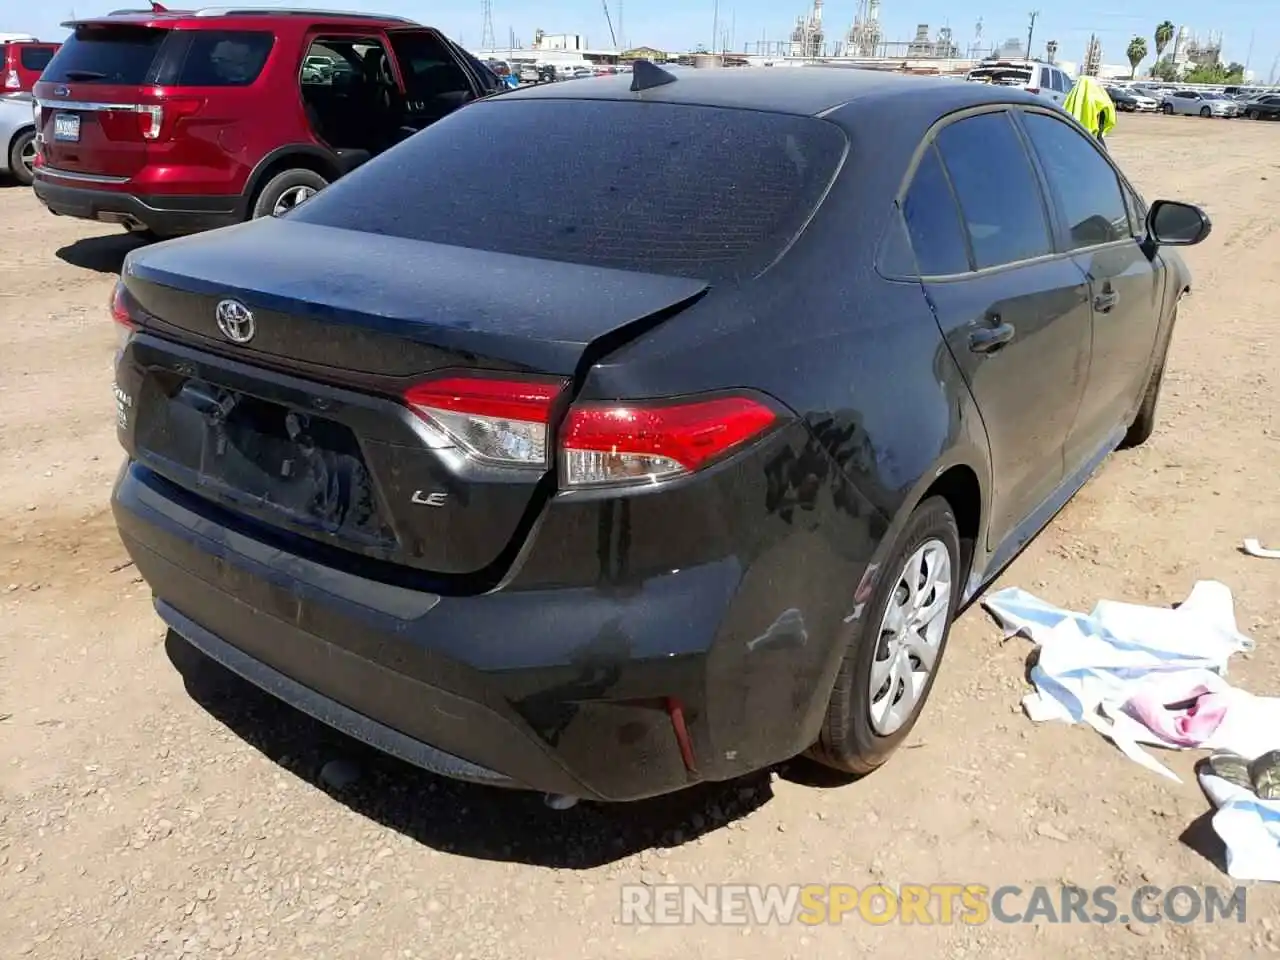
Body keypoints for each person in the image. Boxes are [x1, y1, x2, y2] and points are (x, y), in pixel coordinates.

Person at [1063, 74, 1116, 150]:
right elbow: (1107, 122)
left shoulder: (1072, 101)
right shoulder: (1103, 103)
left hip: (1077, 141)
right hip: (1094, 143)